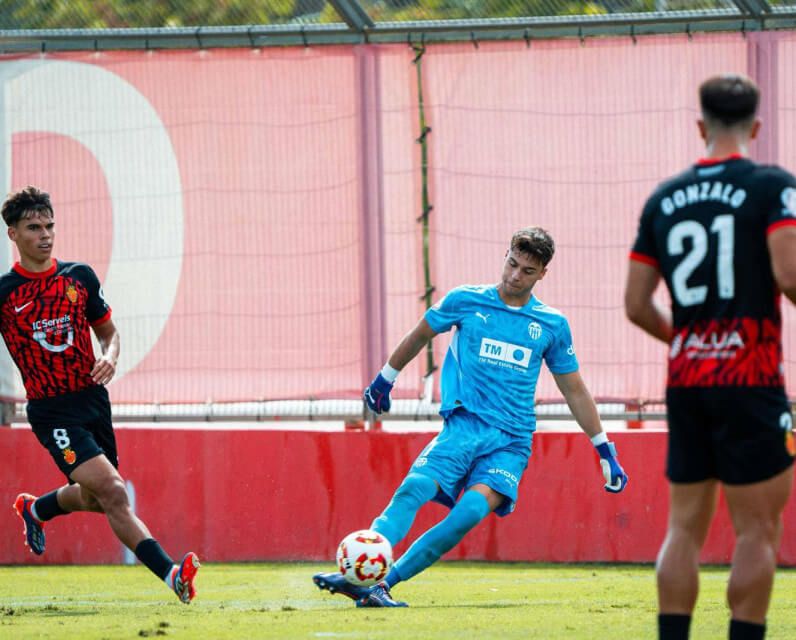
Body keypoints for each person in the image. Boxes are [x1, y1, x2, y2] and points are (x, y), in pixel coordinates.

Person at [313, 226, 628, 607]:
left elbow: (574, 389)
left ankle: (381, 585)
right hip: (461, 428)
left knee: (467, 514)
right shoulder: (465, 300)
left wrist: (604, 449)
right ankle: (356, 574)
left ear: (542, 274)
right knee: (412, 491)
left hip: (510, 444)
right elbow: (419, 334)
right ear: (505, 254)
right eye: (512, 263)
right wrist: (385, 379)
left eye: (527, 271)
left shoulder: (551, 325)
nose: (515, 275)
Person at [625, 75, 796, 640]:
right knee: (756, 532)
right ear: (756, 127)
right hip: (750, 379)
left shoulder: (663, 198)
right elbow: (790, 274)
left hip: (688, 381)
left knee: (682, 531)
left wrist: (689, 339)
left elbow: (636, 304)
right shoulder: (772, 186)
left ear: (701, 126)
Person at [4, 186, 200, 604]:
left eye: (50, 226)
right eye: (33, 227)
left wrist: (110, 357)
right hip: (52, 412)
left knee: (97, 497)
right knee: (113, 490)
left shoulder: (80, 277)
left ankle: (36, 509)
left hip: (92, 401)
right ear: (13, 235)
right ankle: (172, 575)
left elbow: (108, 333)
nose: (45, 235)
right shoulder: (5, 293)